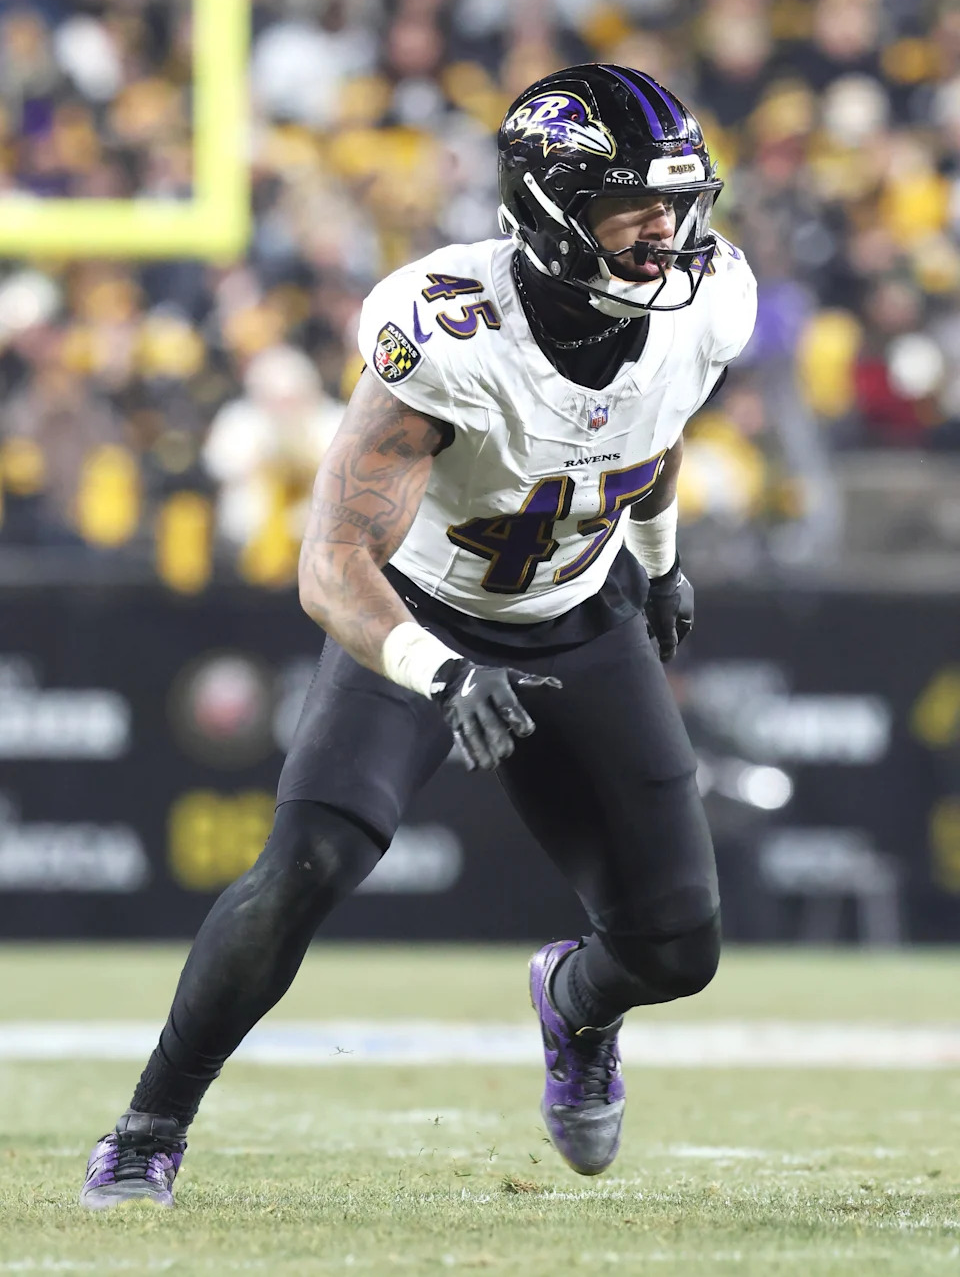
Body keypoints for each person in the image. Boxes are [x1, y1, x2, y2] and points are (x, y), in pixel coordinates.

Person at [79, 63, 757, 1208]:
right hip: (424, 609)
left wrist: (659, 559)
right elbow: (333, 561)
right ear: (552, 209)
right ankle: (150, 1123)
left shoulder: (708, 302)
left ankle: (574, 1004)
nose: (668, 231)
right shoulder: (450, 330)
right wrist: (437, 669)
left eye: (679, 202)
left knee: (678, 948)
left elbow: (655, 427)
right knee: (306, 867)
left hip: (579, 612)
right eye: (634, 203)